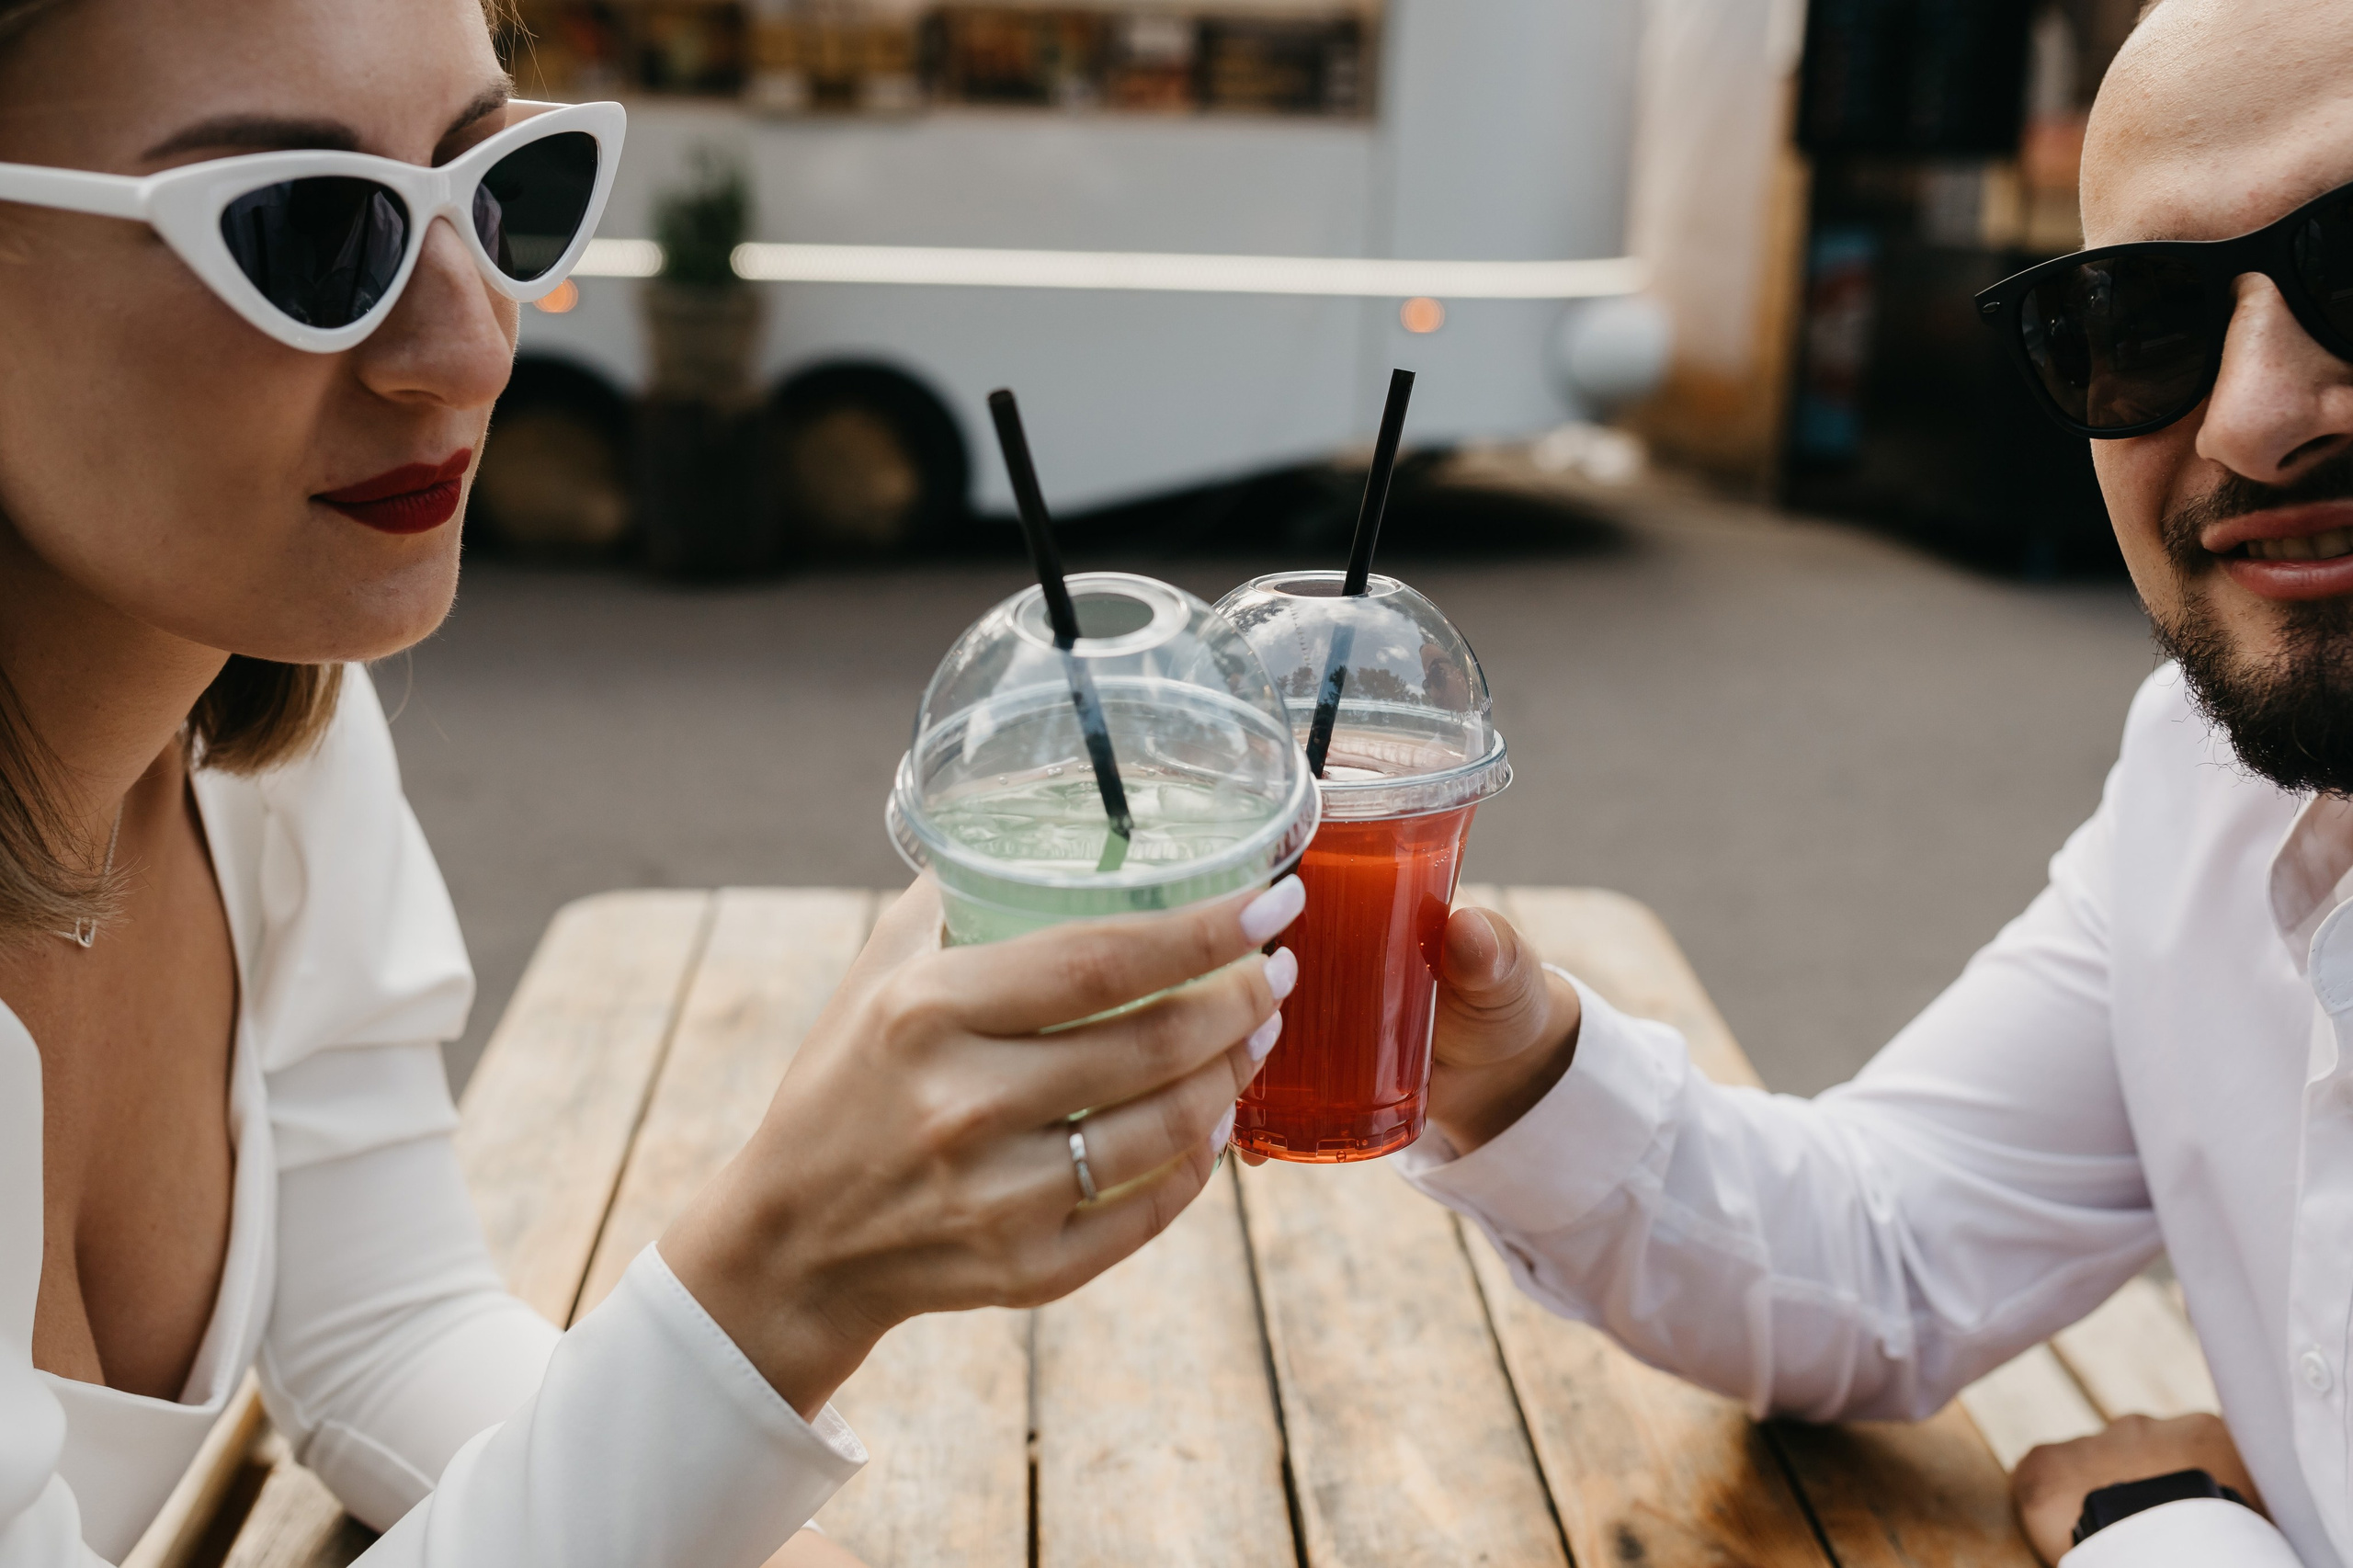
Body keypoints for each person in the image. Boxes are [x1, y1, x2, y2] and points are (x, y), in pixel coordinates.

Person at [0, 2, 1301, 1564]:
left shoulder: (263, 758)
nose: (475, 345)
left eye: (501, 189)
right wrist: (783, 1274)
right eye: (299, 231)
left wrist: (741, 1435)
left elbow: (390, 1334)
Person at [1409, 2, 2353, 1563]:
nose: (2250, 421)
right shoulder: (2208, 781)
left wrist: (2164, 1530)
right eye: (2144, 324)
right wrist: (1507, 1059)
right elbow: (1892, 1251)